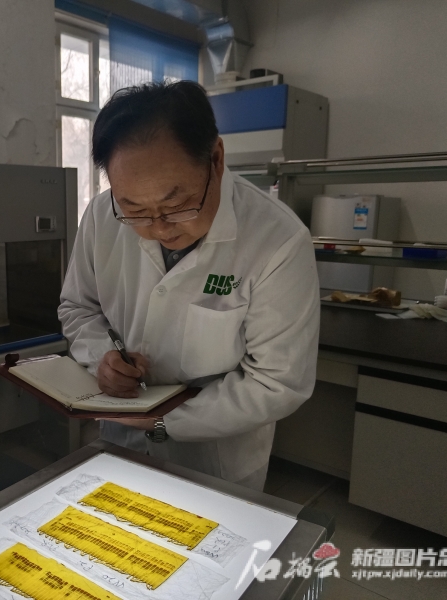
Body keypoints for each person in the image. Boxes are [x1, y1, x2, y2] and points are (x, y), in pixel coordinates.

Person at [58, 80, 320, 492]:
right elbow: (79, 308)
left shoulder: (277, 240)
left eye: (177, 205)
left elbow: (277, 383)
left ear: (216, 159)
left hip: (214, 461)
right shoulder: (101, 217)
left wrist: (162, 419)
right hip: (119, 443)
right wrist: (102, 358)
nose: (159, 228)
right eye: (135, 210)